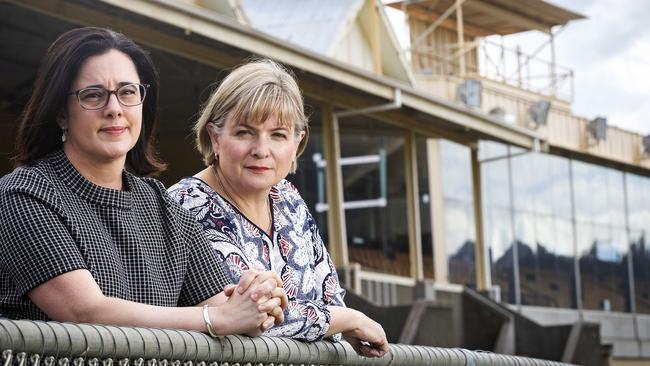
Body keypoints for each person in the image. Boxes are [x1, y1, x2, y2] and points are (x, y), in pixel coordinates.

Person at [0, 27, 287, 336]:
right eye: (93, 95)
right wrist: (215, 320)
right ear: (61, 113)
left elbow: (223, 307)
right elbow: (84, 311)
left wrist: (258, 302)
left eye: (127, 92)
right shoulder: (23, 195)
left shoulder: (163, 206)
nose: (114, 109)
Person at [168, 59, 389, 357]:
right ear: (215, 137)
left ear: (297, 144)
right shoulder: (185, 205)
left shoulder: (288, 199)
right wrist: (349, 320)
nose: (261, 150)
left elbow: (330, 296)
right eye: (245, 132)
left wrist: (336, 319)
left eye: (278, 135)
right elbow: (252, 318)